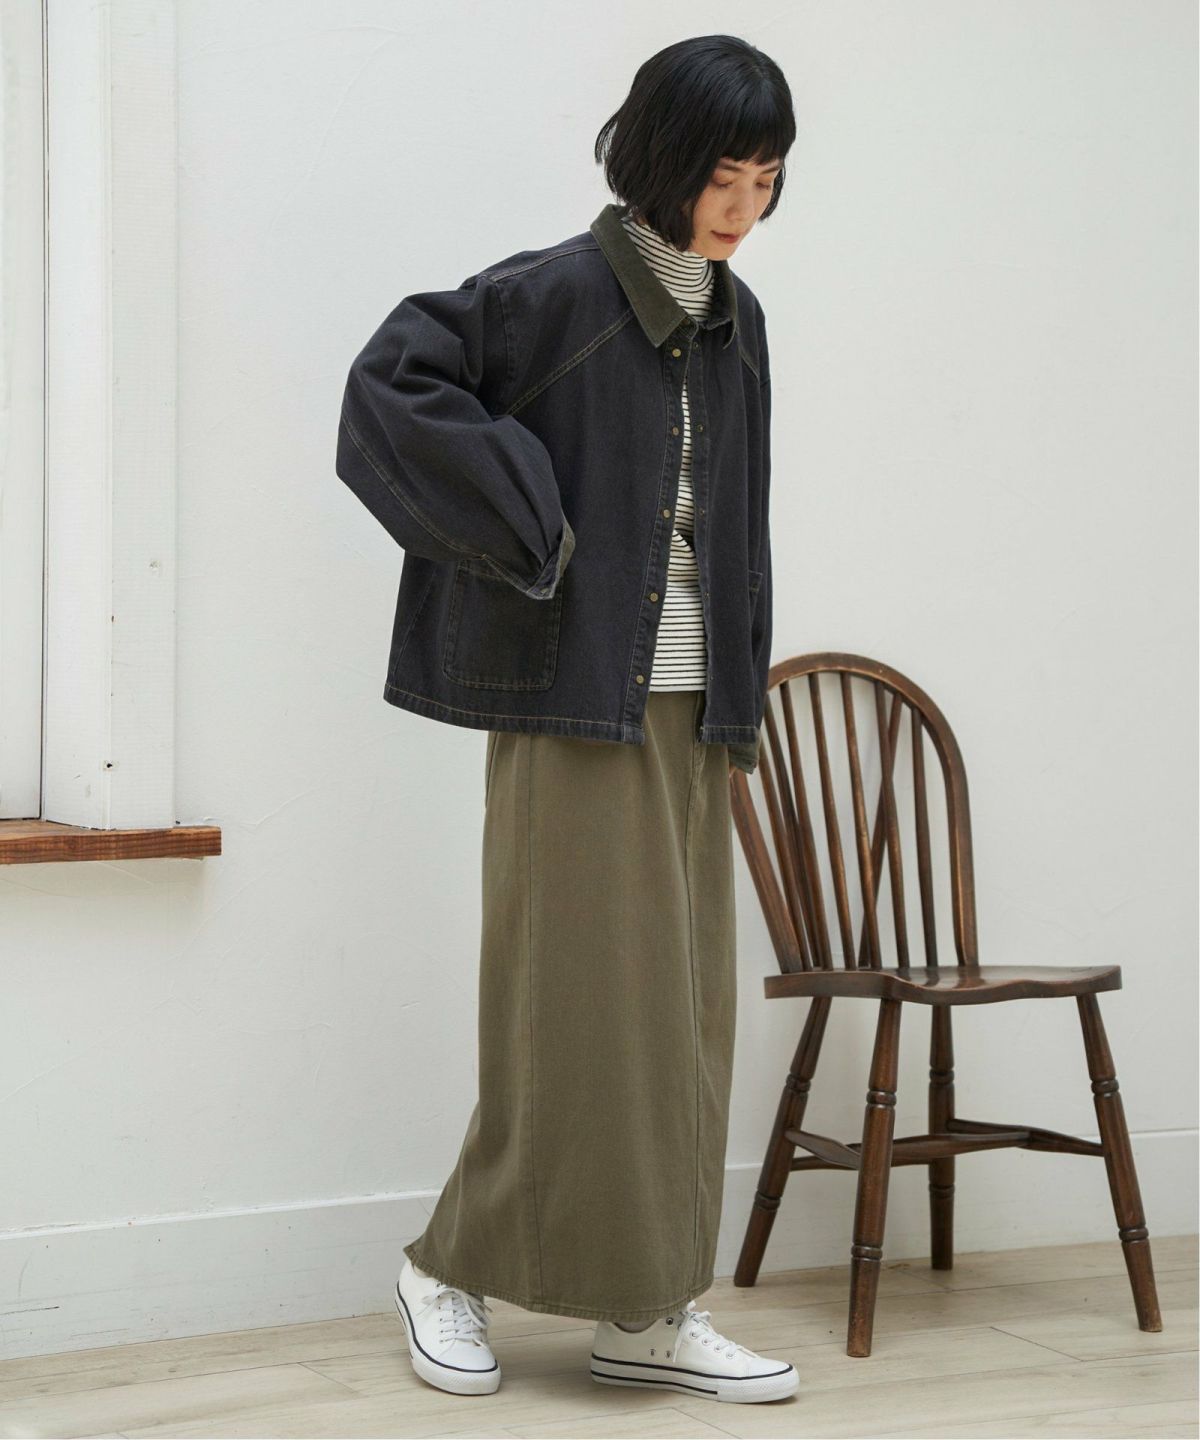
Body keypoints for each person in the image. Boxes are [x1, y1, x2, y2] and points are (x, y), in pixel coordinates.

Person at [335, 32, 797, 1407]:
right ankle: (446, 1268)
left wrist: (740, 693)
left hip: (692, 710)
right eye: (724, 176)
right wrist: (529, 528)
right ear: (662, 158)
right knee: (571, 1012)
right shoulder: (555, 296)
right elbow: (390, 388)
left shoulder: (735, 321)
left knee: (679, 1023)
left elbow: (738, 529)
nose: (743, 208)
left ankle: (645, 1305)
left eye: (767, 181)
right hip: (577, 704)